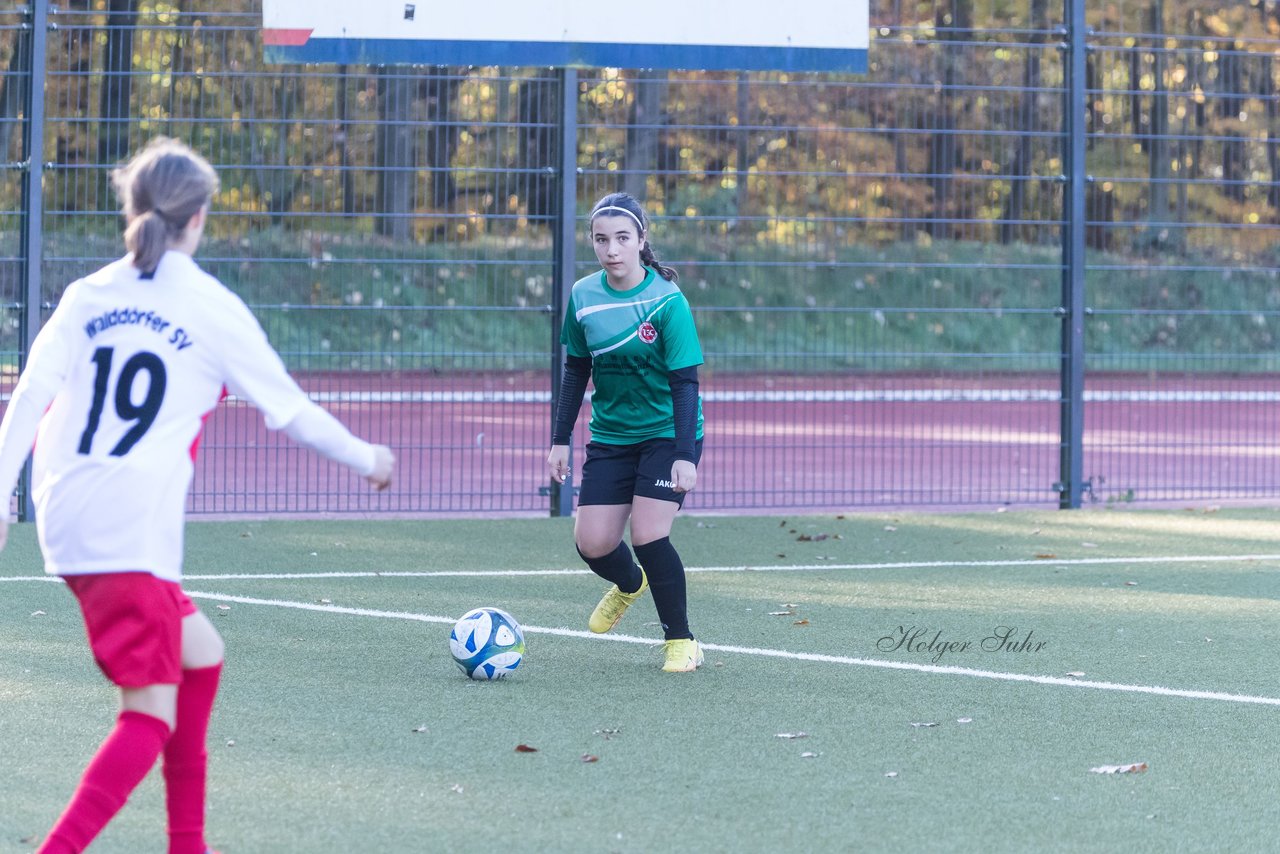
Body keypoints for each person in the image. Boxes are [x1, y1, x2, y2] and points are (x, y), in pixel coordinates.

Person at [0, 137, 394, 854]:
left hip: (69, 519)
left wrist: (1, 499)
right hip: (128, 535)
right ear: (200, 215)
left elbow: (28, 399)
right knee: (147, 715)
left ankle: (189, 844)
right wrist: (370, 457)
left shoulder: (90, 295)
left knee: (200, 653)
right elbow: (292, 412)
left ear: (133, 208)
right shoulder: (209, 306)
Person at [546, 191, 705, 673]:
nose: (611, 249)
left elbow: (685, 383)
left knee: (649, 534)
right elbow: (575, 372)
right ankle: (630, 584)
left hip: (667, 433)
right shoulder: (583, 296)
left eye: (621, 238)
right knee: (592, 544)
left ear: (641, 240)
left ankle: (682, 641)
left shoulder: (667, 301)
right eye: (601, 240)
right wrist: (559, 440)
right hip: (613, 435)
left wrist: (683, 454)